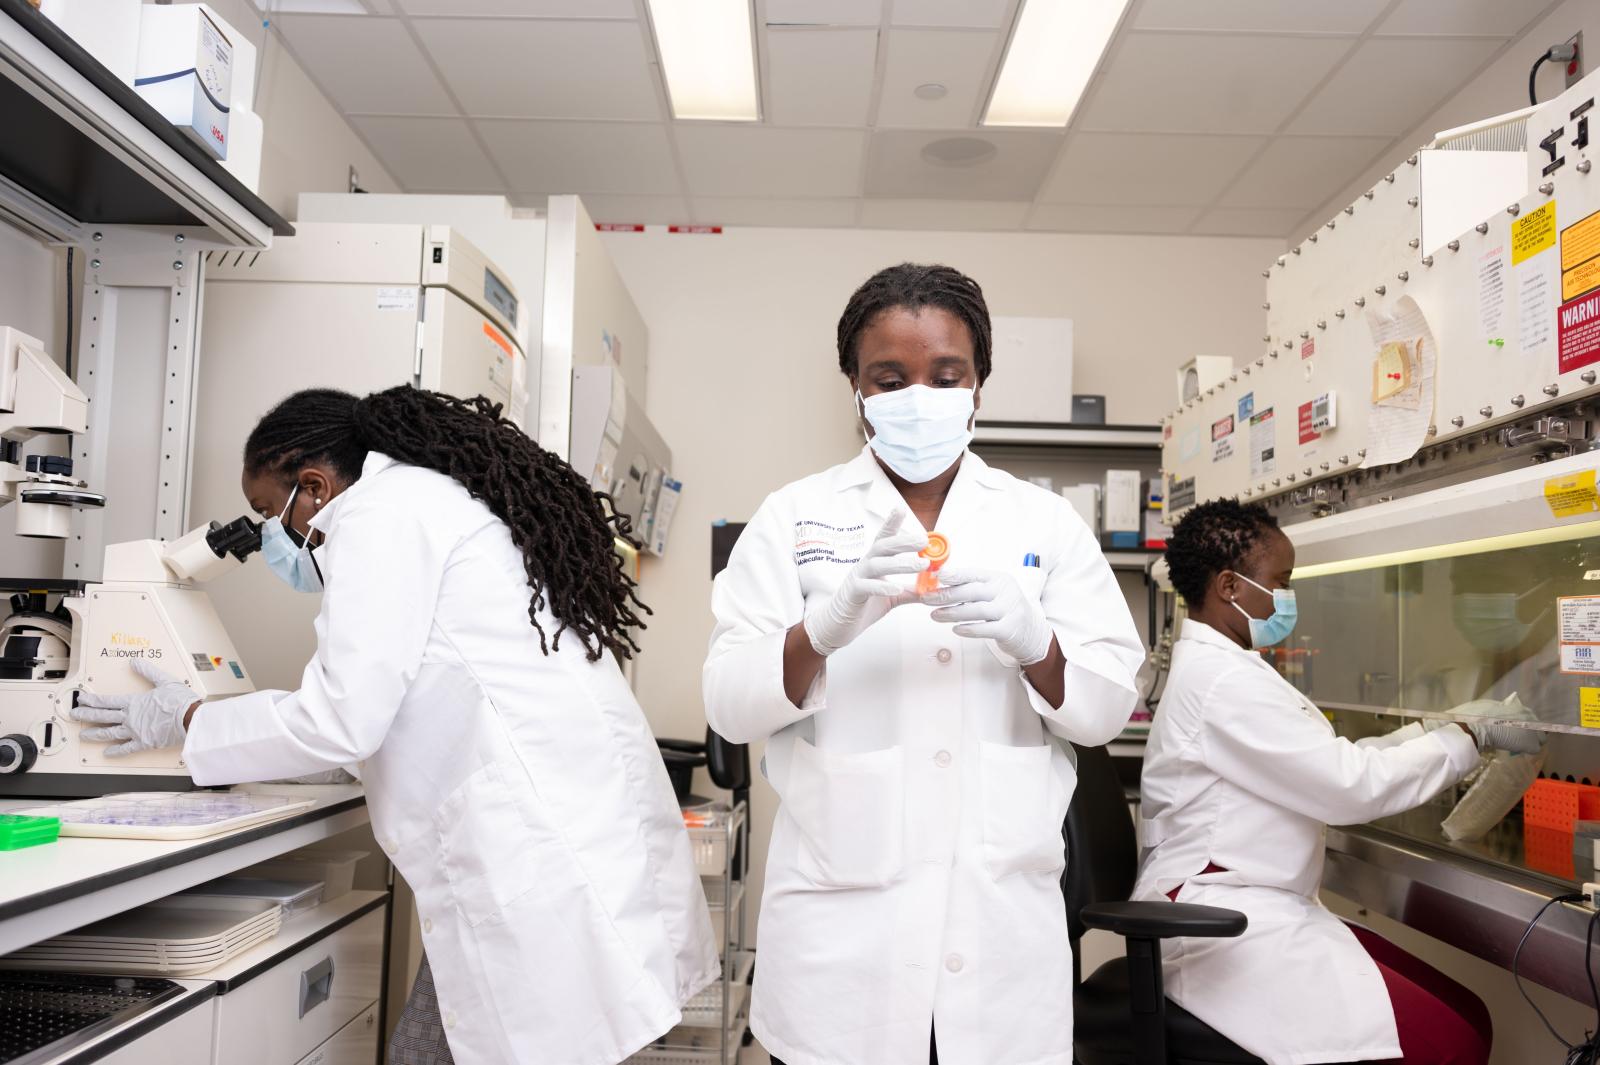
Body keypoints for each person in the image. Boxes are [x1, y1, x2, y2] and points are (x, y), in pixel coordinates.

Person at [72, 387, 719, 1065]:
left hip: (532, 853)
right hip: (554, 836)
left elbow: (341, 717)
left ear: (315, 486)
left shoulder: (379, 517)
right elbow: (404, 699)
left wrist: (189, 717)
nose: (276, 537)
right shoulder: (421, 502)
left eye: (270, 513)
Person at [703, 262, 1145, 1065]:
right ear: (855, 386)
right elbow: (730, 704)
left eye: (947, 375)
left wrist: (1034, 641)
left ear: (978, 383)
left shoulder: (1041, 520)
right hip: (841, 954)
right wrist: (823, 627)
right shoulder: (796, 516)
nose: (921, 396)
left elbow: (1107, 707)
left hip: (1001, 947)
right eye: (890, 376)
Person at [1134, 497, 1542, 1065]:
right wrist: (1467, 740)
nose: (1288, 596)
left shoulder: (1228, 667)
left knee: (1466, 1013)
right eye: (1282, 581)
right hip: (1221, 924)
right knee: (1454, 1042)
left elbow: (1328, 758)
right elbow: (1348, 787)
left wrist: (1436, 728)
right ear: (1229, 586)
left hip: (1257, 908)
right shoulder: (1222, 681)